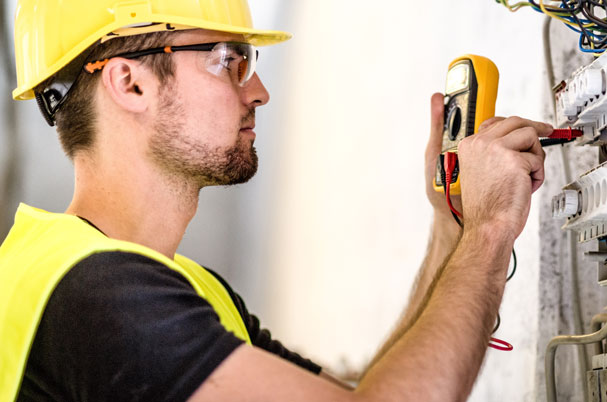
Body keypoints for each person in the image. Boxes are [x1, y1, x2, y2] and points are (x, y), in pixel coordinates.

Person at [0, 0, 552, 401]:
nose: (258, 91)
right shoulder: (92, 294)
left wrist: (451, 227)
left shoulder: (187, 290)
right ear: (130, 83)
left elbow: (371, 395)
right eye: (228, 60)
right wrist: (490, 227)